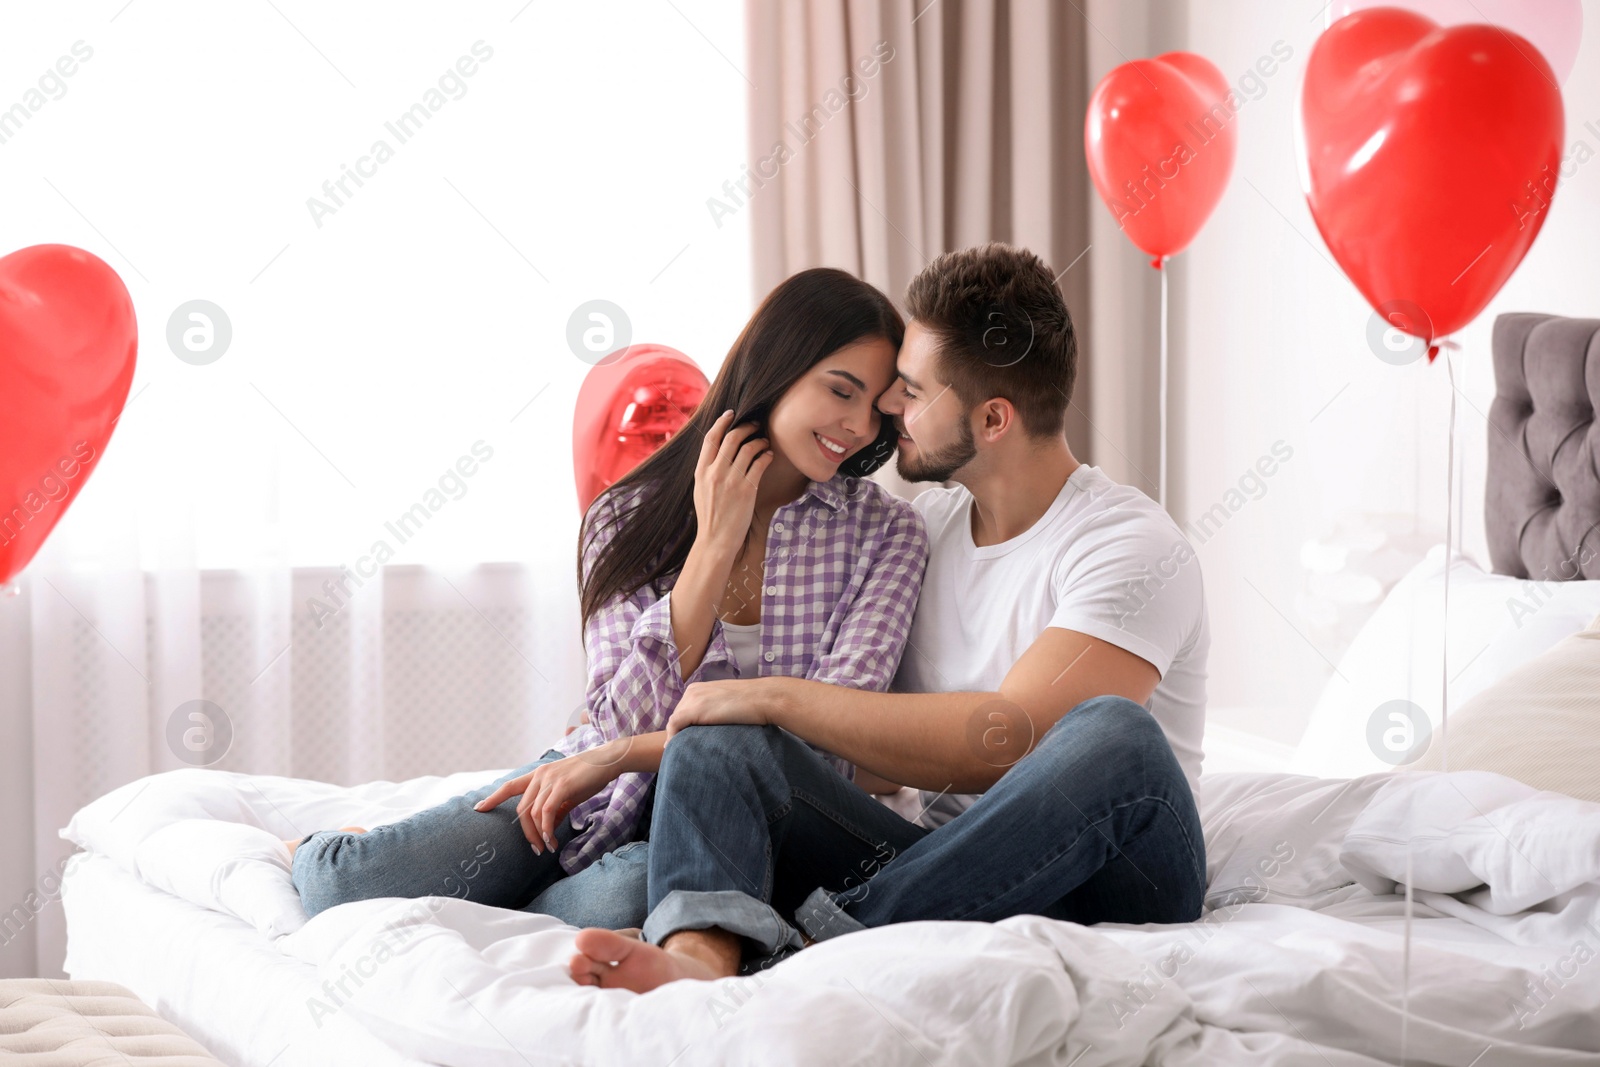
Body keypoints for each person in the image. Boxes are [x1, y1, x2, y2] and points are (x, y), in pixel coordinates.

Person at [567, 242, 1210, 991]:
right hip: (948, 863)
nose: (886, 411)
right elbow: (855, 743)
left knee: (1116, 735)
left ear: (993, 418)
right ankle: (699, 959)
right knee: (722, 744)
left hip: (1113, 874)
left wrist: (767, 693)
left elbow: (1006, 738)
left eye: (910, 390)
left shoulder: (1126, 544)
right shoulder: (925, 528)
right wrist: (642, 744)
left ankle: (813, 943)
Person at [286, 267, 930, 928]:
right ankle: (325, 847)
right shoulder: (626, 515)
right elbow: (620, 716)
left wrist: (617, 755)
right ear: (778, 364)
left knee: (630, 897)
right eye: (840, 390)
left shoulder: (887, 534)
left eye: (873, 406)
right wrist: (711, 546)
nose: (855, 425)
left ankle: (507, 908)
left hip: (717, 826)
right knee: (344, 884)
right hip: (593, 792)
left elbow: (825, 744)